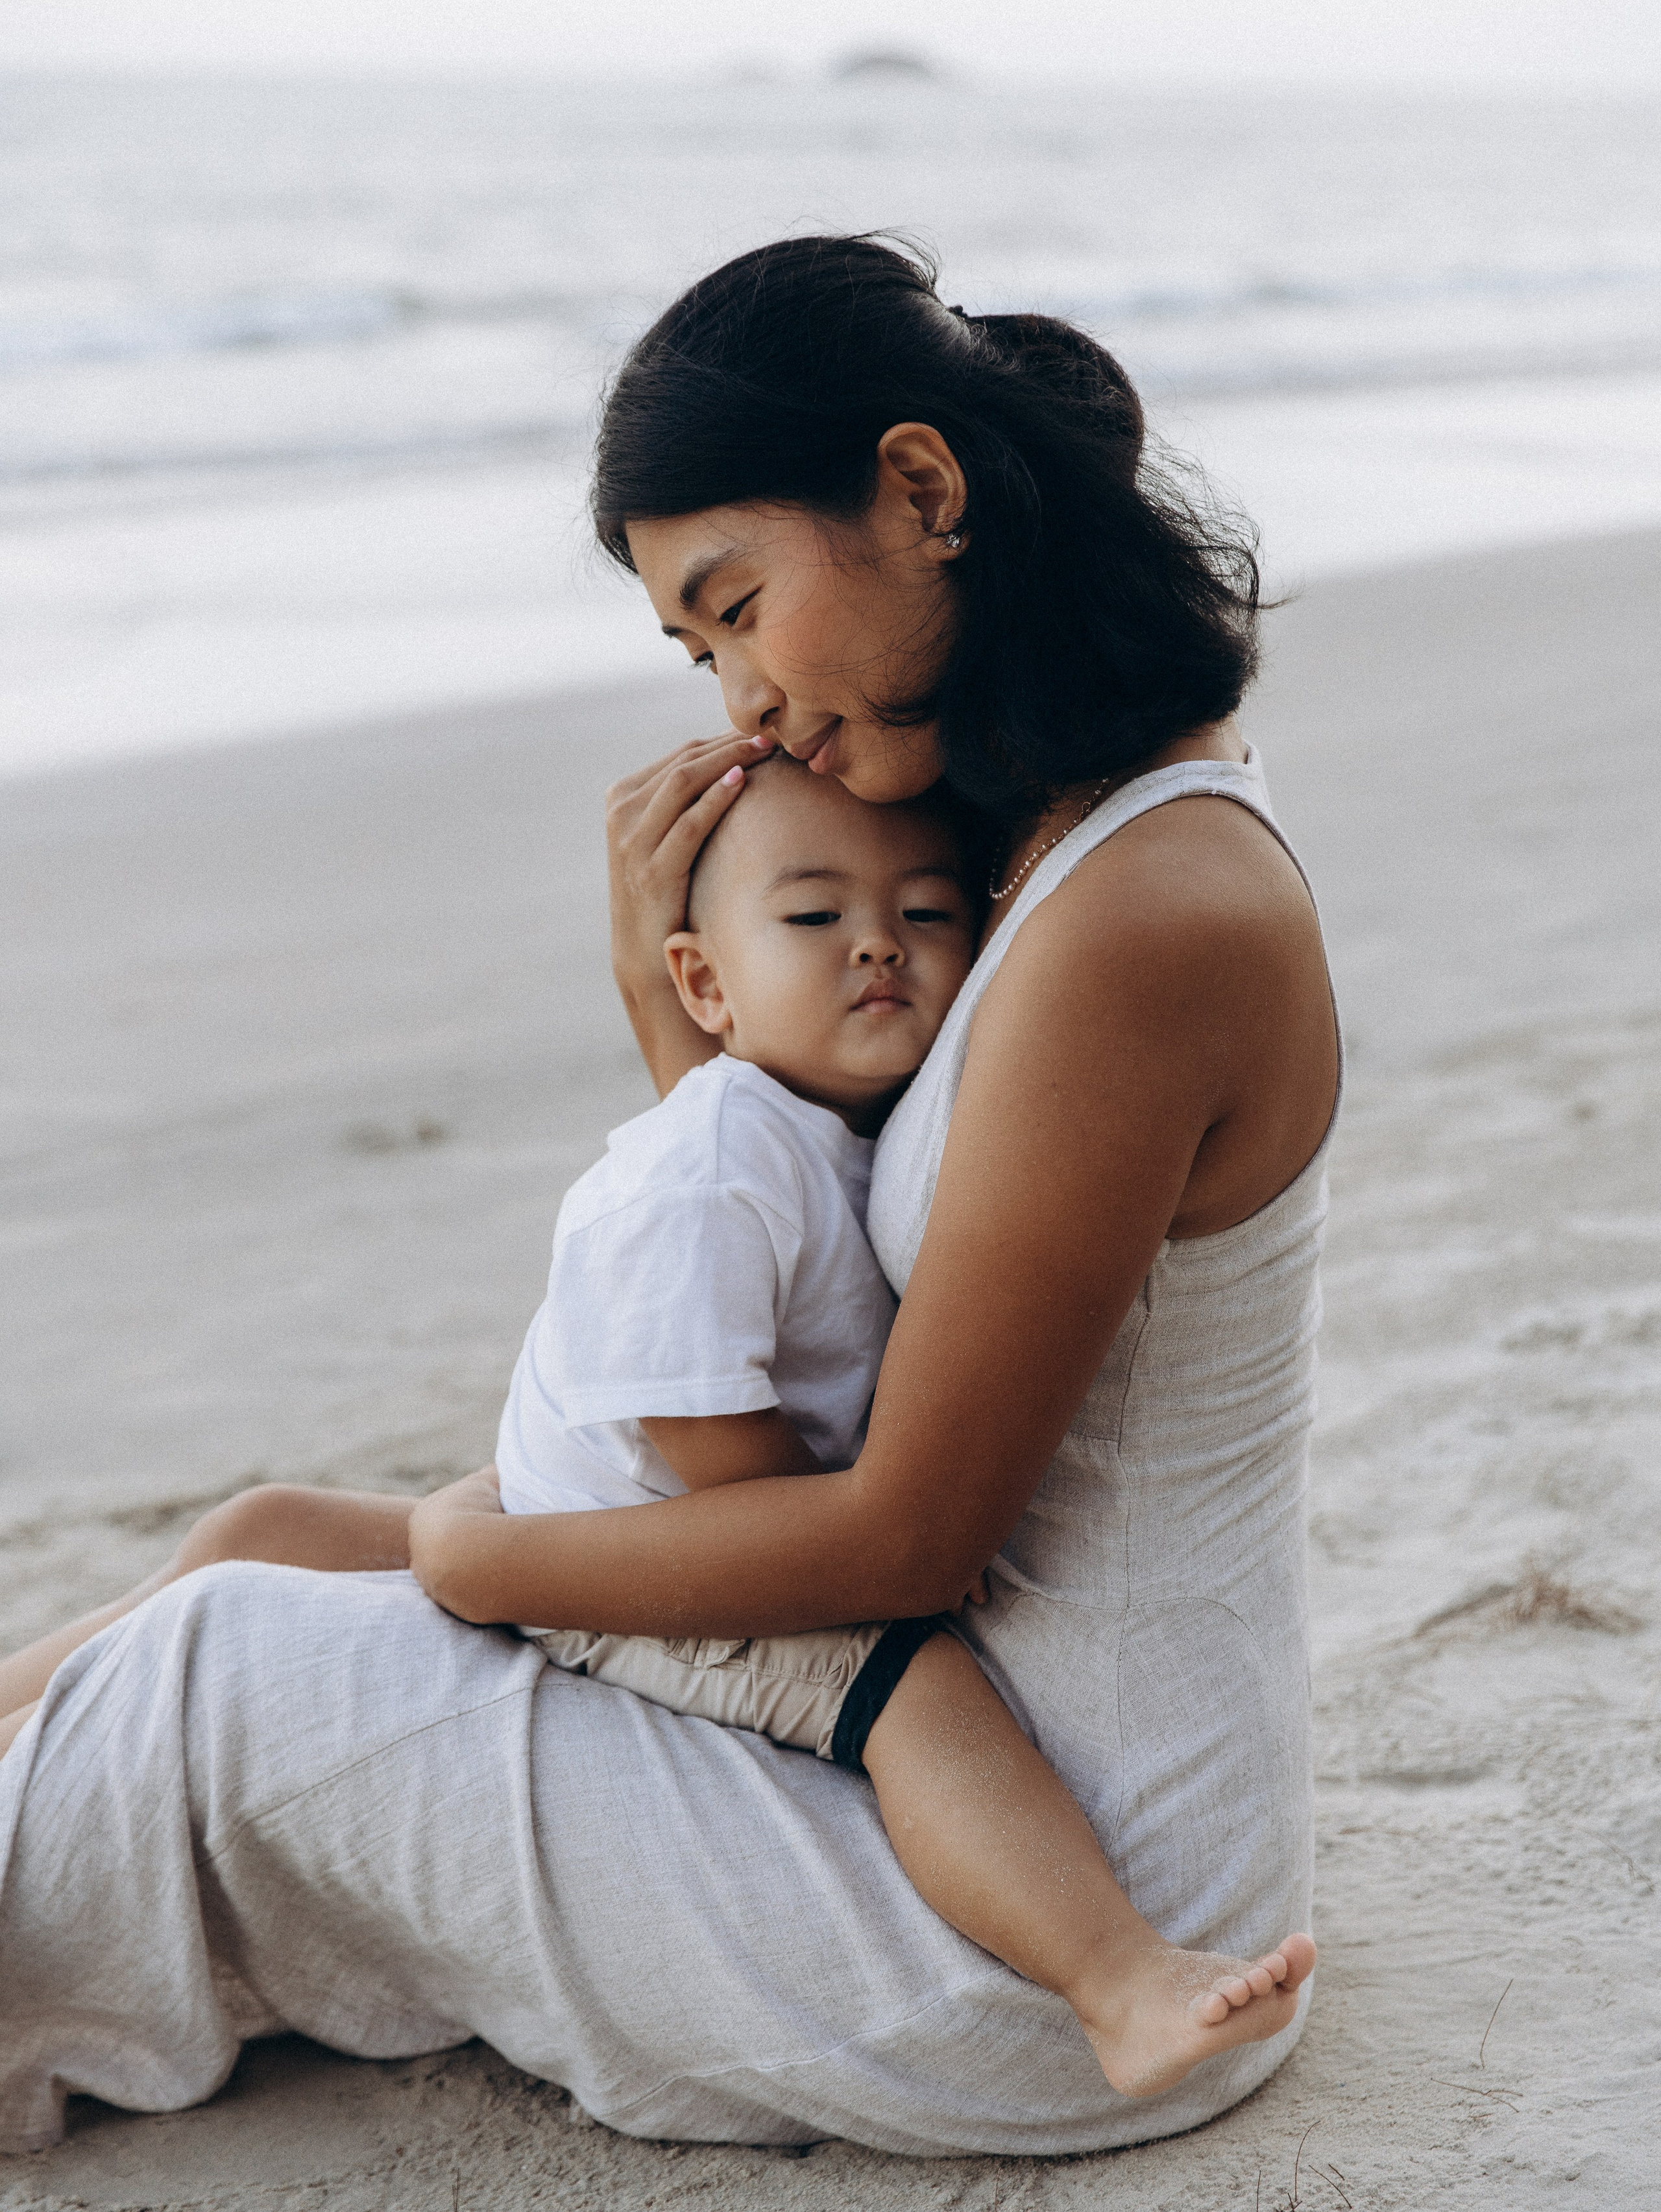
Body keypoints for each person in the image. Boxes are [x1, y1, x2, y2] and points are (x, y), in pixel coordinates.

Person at [0, 234, 1337, 2161]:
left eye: (736, 607)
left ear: (926, 493)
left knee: (219, 1683)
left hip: (1041, 1904)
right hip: (924, 1728)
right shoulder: (1031, 827)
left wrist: (487, 1560)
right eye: (694, 653)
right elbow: (840, 1284)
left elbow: (906, 1537)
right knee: (261, 1545)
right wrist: (689, 1045)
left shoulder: (1143, 913)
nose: (741, 706)